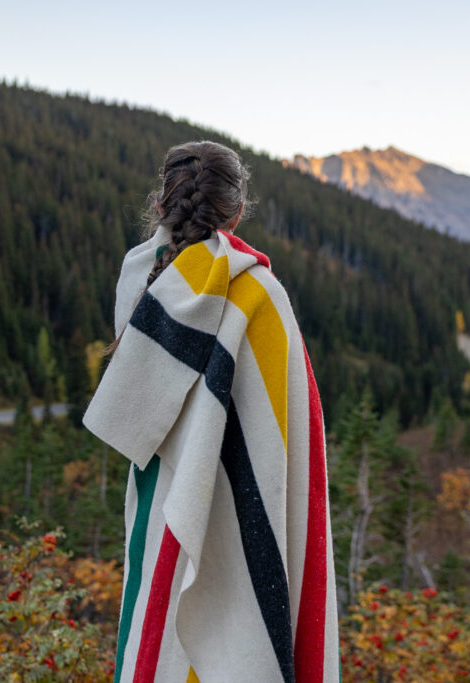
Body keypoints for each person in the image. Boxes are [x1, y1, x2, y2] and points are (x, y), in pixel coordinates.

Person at [83, 141, 339, 683]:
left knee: (160, 646)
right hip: (244, 518)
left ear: (162, 206)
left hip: (160, 516)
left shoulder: (141, 288)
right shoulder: (260, 297)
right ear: (237, 211)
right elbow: (290, 438)